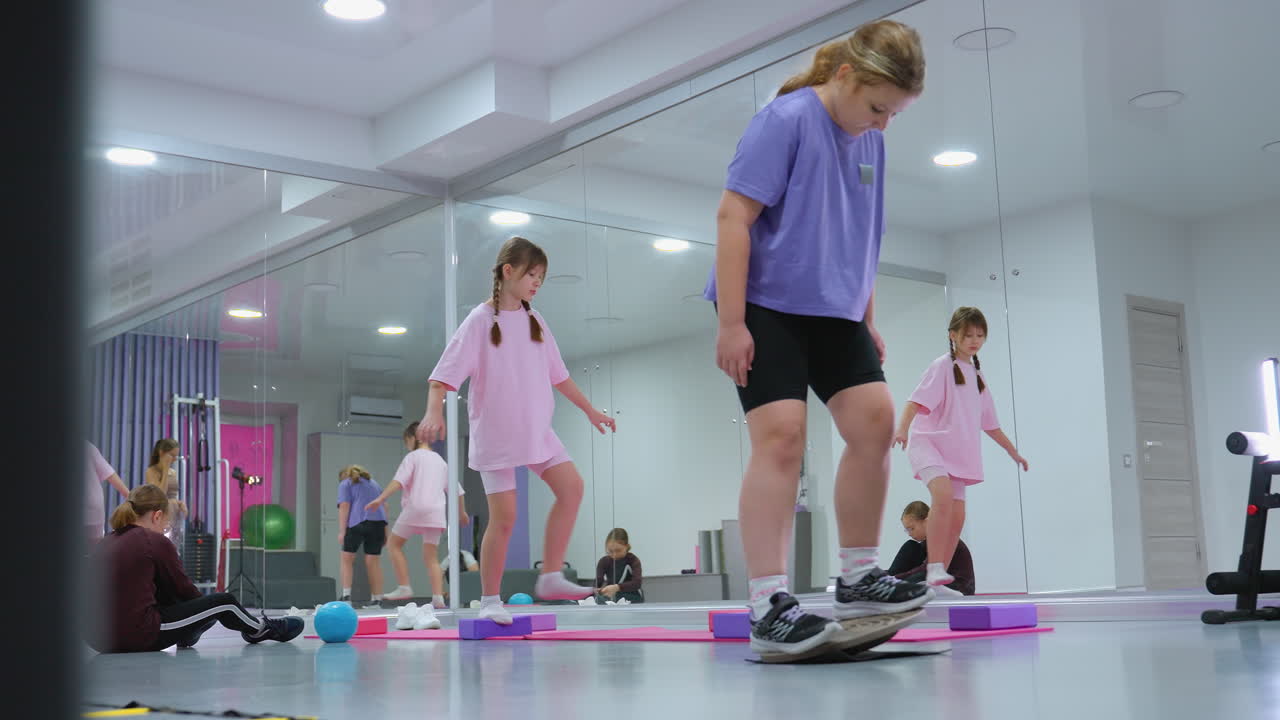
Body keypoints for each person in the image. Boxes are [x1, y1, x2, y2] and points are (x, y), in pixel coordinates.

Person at [704, 19, 932, 657]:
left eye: (895, 114)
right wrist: (730, 320)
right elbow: (733, 216)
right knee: (782, 439)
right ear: (845, 77)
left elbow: (865, 237)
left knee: (875, 422)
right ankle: (767, 601)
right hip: (766, 303)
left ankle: (859, 575)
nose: (883, 124)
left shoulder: (871, 140)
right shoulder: (786, 120)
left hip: (836, 308)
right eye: (878, 107)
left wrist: (866, 315)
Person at [421, 236, 617, 625]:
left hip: (537, 430)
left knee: (572, 487)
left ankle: (550, 576)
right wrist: (433, 414)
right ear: (508, 271)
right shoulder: (479, 320)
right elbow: (442, 377)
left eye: (541, 278)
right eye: (532, 275)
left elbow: (559, 377)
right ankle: (491, 598)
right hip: (497, 435)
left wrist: (590, 410)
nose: (536, 283)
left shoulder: (535, 320)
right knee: (505, 518)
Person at [892, 306, 1028, 597]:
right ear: (953, 335)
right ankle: (934, 568)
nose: (974, 340)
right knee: (941, 495)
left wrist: (1013, 453)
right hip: (927, 443)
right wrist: (902, 429)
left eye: (980, 335)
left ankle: (937, 575)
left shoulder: (976, 374)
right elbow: (914, 402)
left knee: (958, 515)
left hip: (956, 455)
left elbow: (990, 425)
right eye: (968, 335)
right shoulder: (942, 366)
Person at [89, 484, 302, 653]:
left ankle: (188, 633)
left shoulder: (107, 541)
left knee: (178, 599)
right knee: (223, 603)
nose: (164, 529)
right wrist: (203, 614)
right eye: (165, 524)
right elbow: (185, 591)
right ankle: (260, 630)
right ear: (157, 516)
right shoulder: (153, 540)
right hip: (136, 635)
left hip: (98, 639)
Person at [368, 421, 470, 616]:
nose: (406, 445)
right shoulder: (440, 461)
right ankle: (438, 597)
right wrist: (462, 513)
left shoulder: (412, 457)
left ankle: (404, 585)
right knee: (431, 557)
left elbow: (399, 481)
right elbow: (457, 491)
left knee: (394, 544)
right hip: (436, 511)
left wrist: (381, 498)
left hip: (416, 507)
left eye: (406, 440)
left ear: (413, 438)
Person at [888, 501, 975, 595]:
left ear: (926, 521)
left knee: (918, 575)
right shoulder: (928, 541)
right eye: (907, 530)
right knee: (910, 546)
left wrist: (895, 579)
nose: (909, 534)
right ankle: (884, 580)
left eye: (912, 528)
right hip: (943, 581)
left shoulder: (943, 536)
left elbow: (925, 571)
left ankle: (888, 583)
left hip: (960, 587)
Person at [337, 465, 387, 607]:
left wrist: (342, 531)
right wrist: (386, 533)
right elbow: (385, 507)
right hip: (378, 523)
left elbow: (344, 506)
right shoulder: (374, 483)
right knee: (373, 562)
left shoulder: (345, 483)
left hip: (357, 522)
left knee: (347, 558)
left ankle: (346, 597)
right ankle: (377, 599)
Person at [144, 438, 187, 551]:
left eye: (175, 456)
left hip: (174, 512)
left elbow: (172, 494)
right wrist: (165, 469)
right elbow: (160, 493)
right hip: (162, 513)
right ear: (161, 453)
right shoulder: (151, 471)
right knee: (161, 547)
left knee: (174, 548)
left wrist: (180, 503)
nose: (173, 459)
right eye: (171, 455)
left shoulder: (173, 472)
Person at [86, 442, 130, 546]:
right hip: (94, 510)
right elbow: (110, 474)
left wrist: (130, 496)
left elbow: (110, 474)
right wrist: (130, 496)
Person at [595, 528, 643, 604]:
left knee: (615, 598)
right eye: (610, 551)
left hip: (633, 596)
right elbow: (598, 582)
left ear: (627, 546)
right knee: (597, 599)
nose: (614, 555)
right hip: (612, 596)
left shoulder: (633, 560)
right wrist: (597, 590)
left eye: (618, 550)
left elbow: (637, 583)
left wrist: (617, 587)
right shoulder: (604, 561)